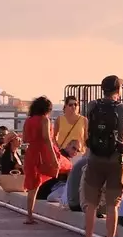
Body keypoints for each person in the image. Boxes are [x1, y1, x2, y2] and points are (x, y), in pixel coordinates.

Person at [79, 75, 123, 237]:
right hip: (115, 160)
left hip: (94, 157)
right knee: (113, 204)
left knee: (91, 204)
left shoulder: (92, 106)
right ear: (118, 90)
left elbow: (88, 129)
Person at [19, 96, 61, 226]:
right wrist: (53, 157)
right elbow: (47, 139)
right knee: (65, 168)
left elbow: (25, 138)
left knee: (32, 185)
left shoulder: (28, 120)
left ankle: (29, 215)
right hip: (42, 153)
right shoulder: (45, 120)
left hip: (31, 153)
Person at [51, 94, 85, 160]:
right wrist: (58, 148)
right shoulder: (59, 119)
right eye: (70, 105)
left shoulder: (83, 120)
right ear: (65, 106)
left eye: (75, 104)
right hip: (63, 154)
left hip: (78, 154)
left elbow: (86, 138)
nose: (73, 107)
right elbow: (54, 136)